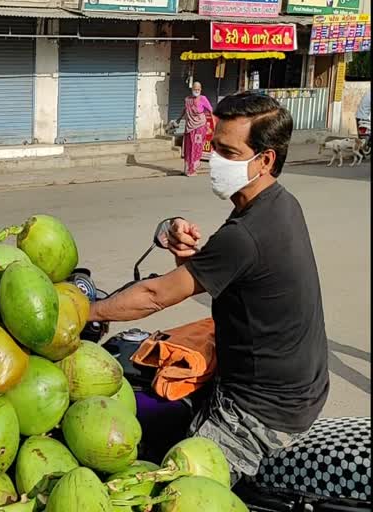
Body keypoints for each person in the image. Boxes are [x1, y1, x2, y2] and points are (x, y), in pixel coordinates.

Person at [89, 91, 329, 485]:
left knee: (178, 491)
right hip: (298, 388)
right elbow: (229, 284)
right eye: (213, 146)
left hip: (259, 411)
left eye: (228, 152)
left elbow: (155, 296)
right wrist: (187, 257)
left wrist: (86, 311)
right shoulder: (278, 205)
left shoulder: (247, 232)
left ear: (265, 160)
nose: (214, 159)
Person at [176, 81, 214, 177]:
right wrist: (178, 119)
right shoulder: (188, 99)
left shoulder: (203, 99)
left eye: (198, 89)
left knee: (196, 146)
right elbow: (184, 110)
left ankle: (193, 168)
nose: (196, 91)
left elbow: (211, 110)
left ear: (201, 90)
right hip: (189, 127)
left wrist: (214, 123)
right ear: (192, 89)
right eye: (194, 89)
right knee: (188, 148)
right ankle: (187, 169)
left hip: (200, 127)